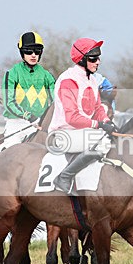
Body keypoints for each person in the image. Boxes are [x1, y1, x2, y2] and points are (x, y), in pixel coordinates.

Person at [50, 38, 116, 193]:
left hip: (80, 133)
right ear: (82, 59)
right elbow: (72, 118)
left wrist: (106, 120)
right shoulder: (68, 80)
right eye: (93, 59)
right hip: (63, 134)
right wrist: (98, 125)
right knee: (102, 143)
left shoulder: (92, 80)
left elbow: (98, 107)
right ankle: (64, 177)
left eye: (99, 58)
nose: (98, 62)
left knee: (112, 141)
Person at [0, 31, 56, 155]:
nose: (33, 55)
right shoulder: (12, 74)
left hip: (41, 126)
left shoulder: (47, 76)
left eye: (37, 51)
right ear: (22, 52)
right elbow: (9, 102)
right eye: (28, 51)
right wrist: (29, 116)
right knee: (12, 156)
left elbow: (56, 101)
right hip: (17, 125)